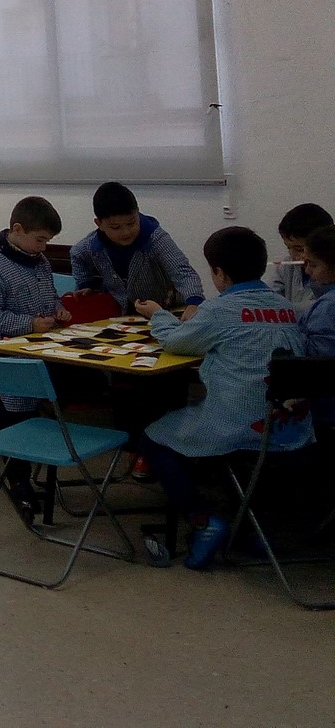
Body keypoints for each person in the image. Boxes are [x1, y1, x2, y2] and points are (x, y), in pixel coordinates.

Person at [137, 226, 312, 569]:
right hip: (292, 430)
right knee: (222, 443)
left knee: (152, 438)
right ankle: (248, 529)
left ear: (219, 273)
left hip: (239, 428)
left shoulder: (220, 309)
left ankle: (202, 520)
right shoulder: (286, 308)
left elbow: (176, 342)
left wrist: (157, 314)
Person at [0, 196, 71, 519]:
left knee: (69, 392)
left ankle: (39, 466)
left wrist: (58, 308)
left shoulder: (39, 261)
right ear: (17, 230)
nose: (44, 247)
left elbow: (50, 294)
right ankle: (19, 482)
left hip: (42, 350)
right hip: (8, 359)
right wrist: (29, 324)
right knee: (15, 416)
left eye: (48, 241)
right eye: (40, 239)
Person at [69, 182, 204, 318]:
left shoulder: (155, 238)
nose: (126, 232)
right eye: (115, 227)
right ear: (99, 224)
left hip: (165, 309)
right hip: (122, 315)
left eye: (131, 223)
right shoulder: (92, 245)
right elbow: (76, 255)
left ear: (137, 213)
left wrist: (194, 302)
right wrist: (86, 283)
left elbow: (182, 271)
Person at [295, 225, 335, 428]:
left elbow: (317, 365)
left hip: (326, 414)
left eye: (313, 264)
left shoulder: (328, 306)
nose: (308, 271)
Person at [273, 203, 333, 310]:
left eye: (300, 249)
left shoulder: (328, 272)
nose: (293, 256)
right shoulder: (286, 266)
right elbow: (271, 298)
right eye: (288, 248)